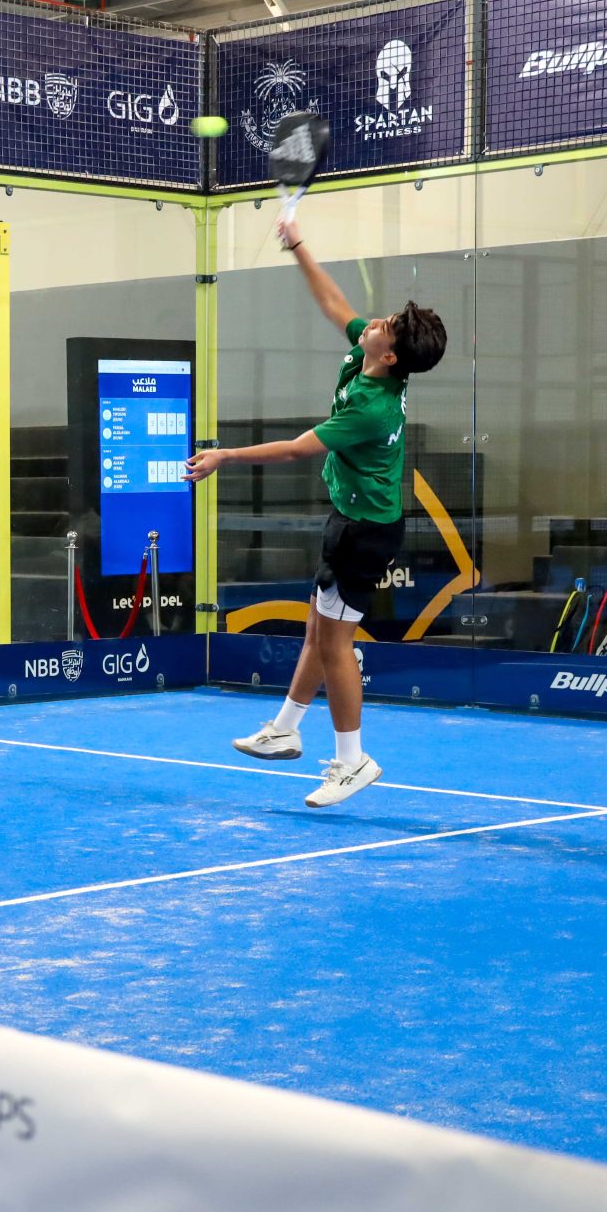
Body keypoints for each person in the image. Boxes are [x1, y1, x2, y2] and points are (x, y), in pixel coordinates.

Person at [186, 214, 447, 809]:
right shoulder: (369, 355)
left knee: (335, 644)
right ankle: (284, 729)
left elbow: (295, 449)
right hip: (349, 520)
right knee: (318, 630)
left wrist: (224, 455)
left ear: (390, 355)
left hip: (366, 532)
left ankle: (353, 761)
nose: (374, 321)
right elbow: (333, 303)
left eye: (386, 325)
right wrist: (298, 244)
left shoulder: (372, 407)